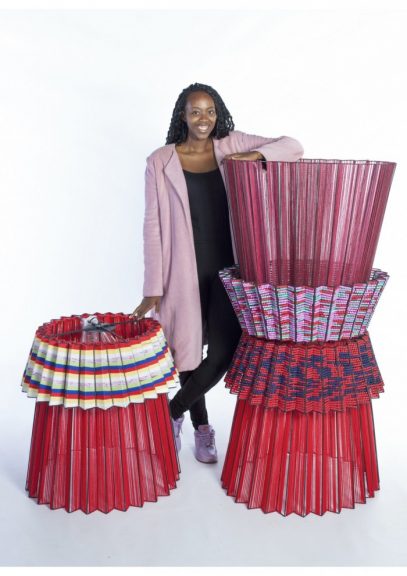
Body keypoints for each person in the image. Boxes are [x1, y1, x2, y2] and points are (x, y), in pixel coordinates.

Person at [132, 83, 303, 463]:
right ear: (183, 116)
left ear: (218, 113)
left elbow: (293, 146)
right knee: (188, 353)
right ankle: (202, 429)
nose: (203, 119)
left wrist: (254, 155)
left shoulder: (231, 144)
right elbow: (152, 225)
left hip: (230, 269)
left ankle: (170, 413)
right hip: (182, 270)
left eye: (209, 111)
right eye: (195, 111)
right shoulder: (160, 161)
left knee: (224, 351)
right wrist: (152, 287)